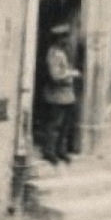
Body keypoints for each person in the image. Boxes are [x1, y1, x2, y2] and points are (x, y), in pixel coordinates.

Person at [41, 23, 81, 165]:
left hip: (67, 95)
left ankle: (61, 151)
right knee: (55, 125)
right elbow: (55, 76)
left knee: (65, 125)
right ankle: (49, 152)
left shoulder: (63, 52)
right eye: (64, 37)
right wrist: (72, 73)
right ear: (58, 39)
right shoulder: (53, 54)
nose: (67, 40)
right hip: (56, 95)